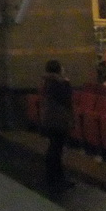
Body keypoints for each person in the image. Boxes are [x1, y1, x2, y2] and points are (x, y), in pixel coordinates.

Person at [39, 59, 74, 190]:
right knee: (57, 149)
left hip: (49, 118)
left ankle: (53, 177)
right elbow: (66, 99)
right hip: (58, 120)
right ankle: (56, 179)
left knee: (54, 148)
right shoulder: (58, 84)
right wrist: (66, 81)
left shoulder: (46, 82)